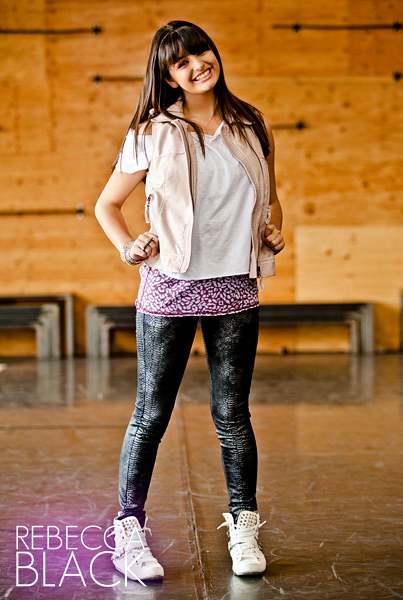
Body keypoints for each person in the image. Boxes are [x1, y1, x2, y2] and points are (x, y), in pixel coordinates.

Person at [95, 20, 285, 582]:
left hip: (235, 286)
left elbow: (272, 199)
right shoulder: (151, 132)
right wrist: (129, 246)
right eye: (181, 62)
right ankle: (128, 532)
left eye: (201, 53)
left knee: (232, 416)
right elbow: (108, 205)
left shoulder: (251, 124)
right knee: (151, 415)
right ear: (169, 75)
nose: (197, 65)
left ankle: (244, 528)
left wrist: (272, 230)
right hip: (169, 287)